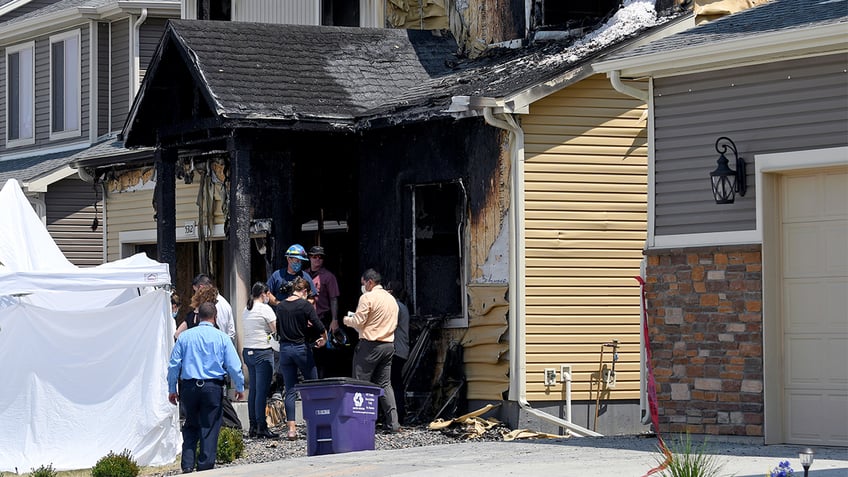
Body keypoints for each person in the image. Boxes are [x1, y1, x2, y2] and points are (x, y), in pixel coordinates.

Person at [167, 302, 245, 473]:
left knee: (190, 425)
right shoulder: (222, 337)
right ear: (215, 317)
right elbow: (233, 365)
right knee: (209, 427)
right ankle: (205, 468)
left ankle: (187, 465)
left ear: (197, 317)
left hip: (189, 387)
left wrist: (172, 388)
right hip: (212, 386)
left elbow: (174, 365)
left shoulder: (184, 337)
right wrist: (239, 386)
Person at [343, 268, 401, 433]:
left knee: (361, 384)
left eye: (363, 283)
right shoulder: (391, 299)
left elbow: (359, 322)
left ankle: (362, 423)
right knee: (385, 385)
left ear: (369, 282)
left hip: (370, 345)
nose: (362, 286)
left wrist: (347, 319)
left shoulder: (367, 297)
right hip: (388, 344)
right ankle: (393, 423)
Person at [276, 276, 327, 441]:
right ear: (304, 291)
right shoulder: (305, 305)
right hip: (301, 348)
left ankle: (291, 429)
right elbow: (319, 325)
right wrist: (324, 338)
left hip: (285, 349)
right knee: (313, 385)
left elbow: (278, 328)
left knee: (289, 389)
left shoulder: (281, 306)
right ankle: (316, 423)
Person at [242, 282, 278, 439]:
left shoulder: (246, 309)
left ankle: (253, 426)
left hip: (248, 351)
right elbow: (275, 329)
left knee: (254, 391)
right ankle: (262, 427)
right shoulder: (265, 309)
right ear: (264, 294)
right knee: (262, 392)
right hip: (262, 351)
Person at [308, 245, 342, 377]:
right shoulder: (304, 275)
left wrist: (334, 320)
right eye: (314, 257)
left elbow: (334, 299)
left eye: (320, 257)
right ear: (309, 258)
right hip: (306, 320)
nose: (317, 260)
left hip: (322, 318)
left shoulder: (328, 277)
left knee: (322, 353)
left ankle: (321, 381)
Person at [386, 280, 410, 426]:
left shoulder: (395, 307)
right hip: (401, 350)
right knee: (396, 383)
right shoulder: (402, 306)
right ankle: (398, 415)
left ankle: (397, 416)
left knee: (392, 384)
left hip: (395, 350)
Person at [191, 274, 236, 343]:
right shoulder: (226, 304)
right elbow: (231, 332)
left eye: (195, 291)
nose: (195, 295)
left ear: (200, 288)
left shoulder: (207, 305)